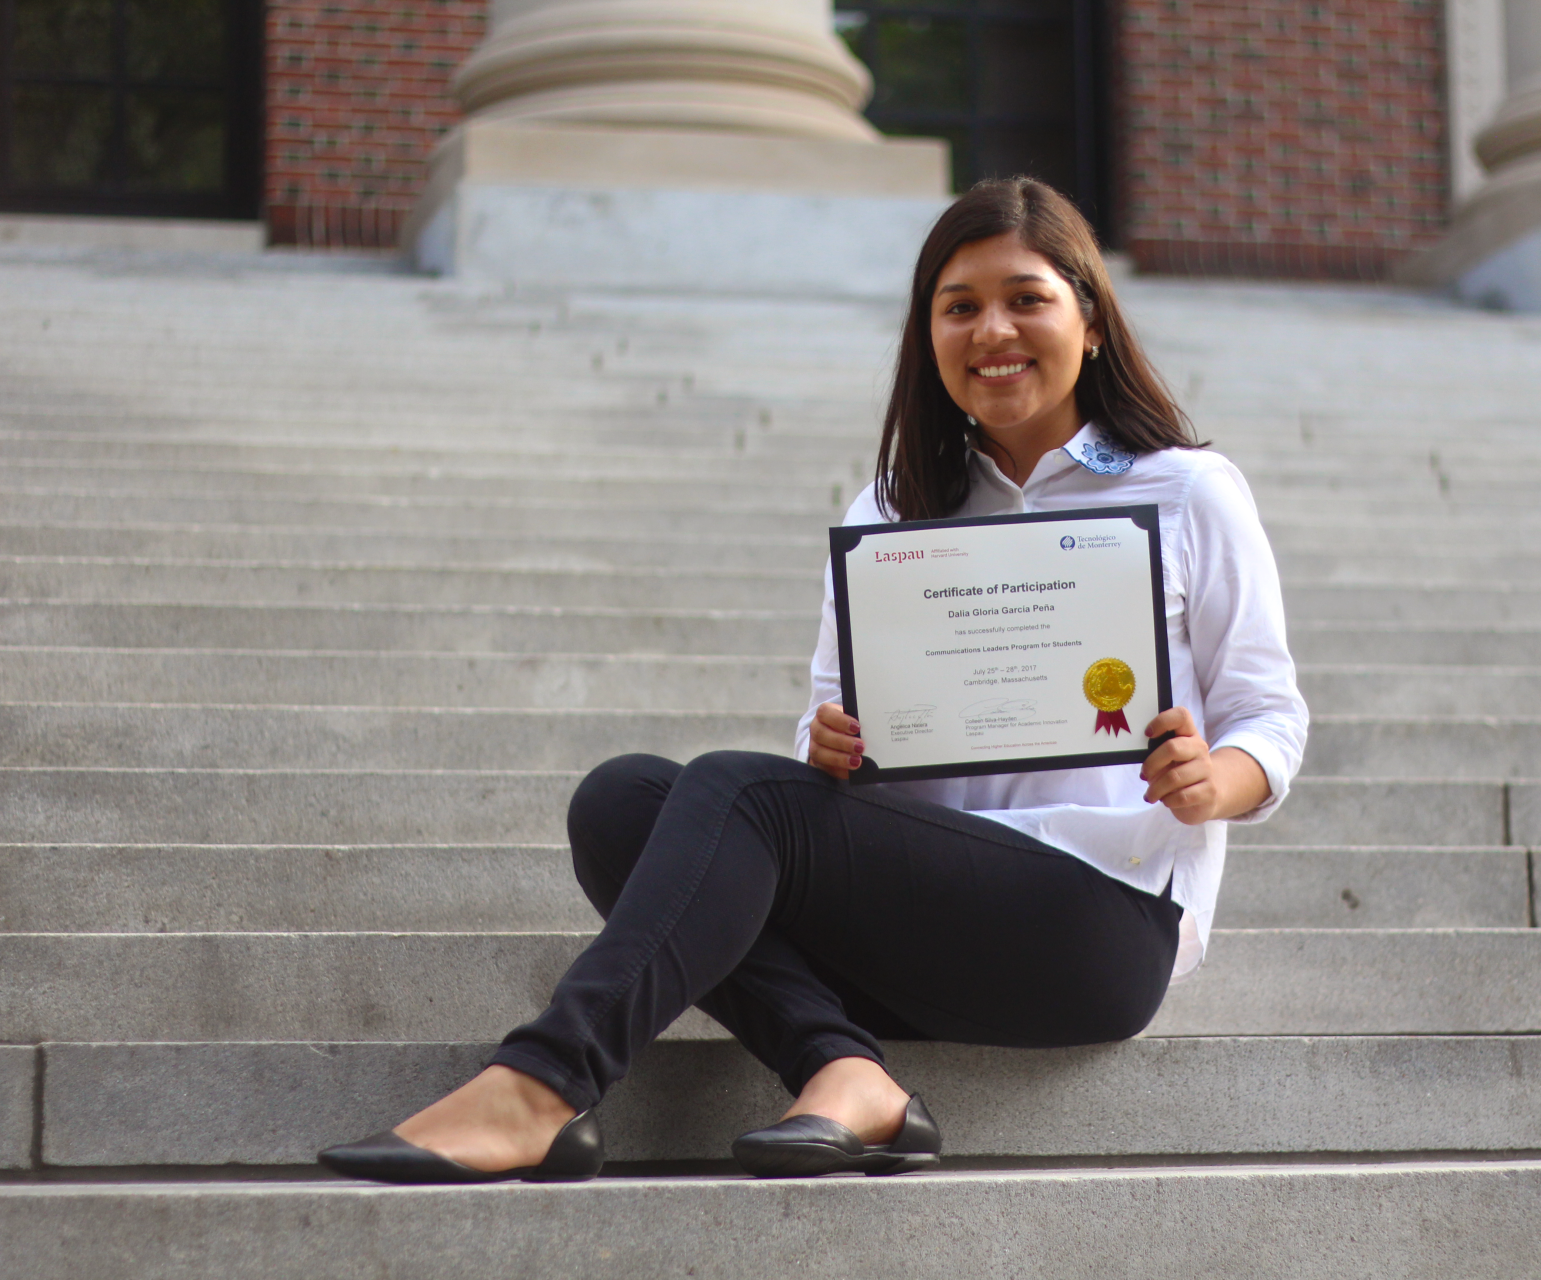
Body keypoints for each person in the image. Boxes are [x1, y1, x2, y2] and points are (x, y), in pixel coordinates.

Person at [319, 177, 1308, 1184]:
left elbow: (1269, 714)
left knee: (738, 793)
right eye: (959, 306)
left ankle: (542, 1081)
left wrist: (1211, 778)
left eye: (1027, 297)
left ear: (1091, 321)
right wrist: (828, 748)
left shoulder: (1186, 489)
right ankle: (842, 1066)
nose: (992, 329)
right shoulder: (891, 508)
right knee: (621, 800)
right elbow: (821, 736)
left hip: (1093, 922)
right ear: (927, 335)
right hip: (915, 921)